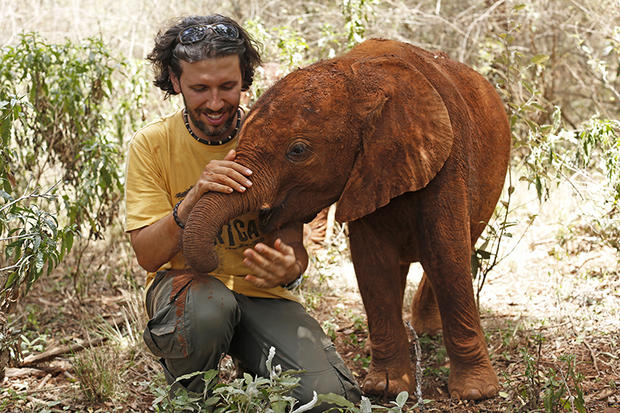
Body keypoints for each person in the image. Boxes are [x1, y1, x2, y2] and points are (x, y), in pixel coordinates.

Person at [124, 14, 361, 410]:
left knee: (330, 402)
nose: (215, 102)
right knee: (208, 309)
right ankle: (192, 397)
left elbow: (292, 248)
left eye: (227, 86)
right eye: (200, 88)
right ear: (175, 79)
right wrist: (195, 196)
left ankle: (257, 366)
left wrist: (289, 266)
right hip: (191, 291)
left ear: (245, 78)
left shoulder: (274, 136)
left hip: (260, 294)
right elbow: (147, 254)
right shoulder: (152, 145)